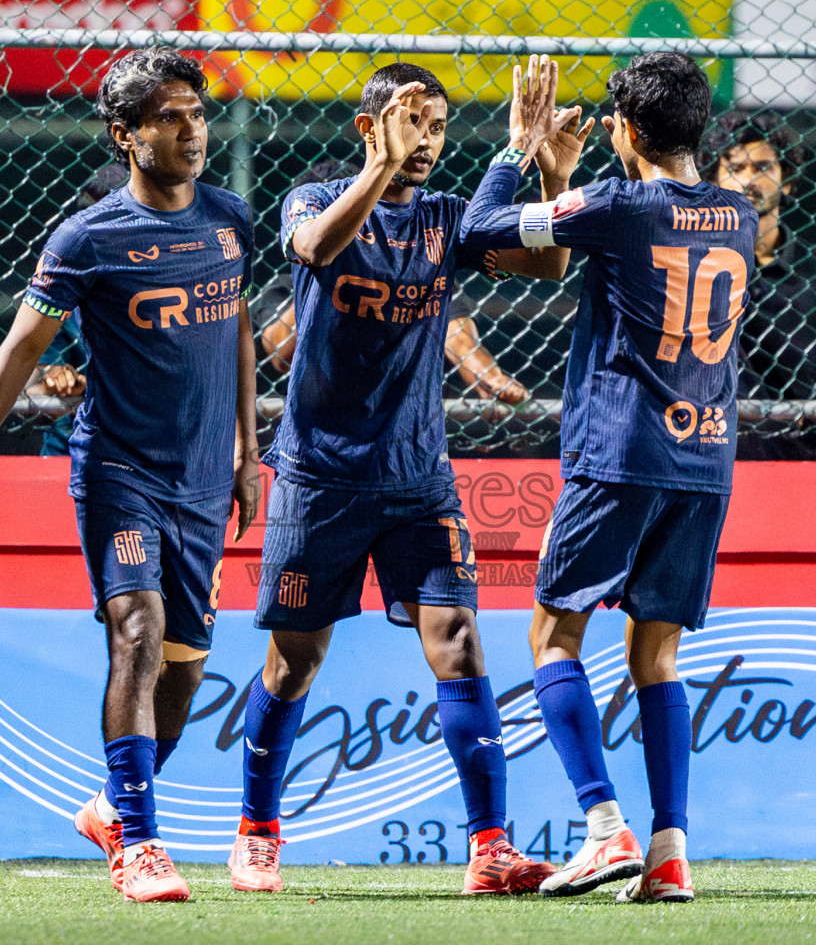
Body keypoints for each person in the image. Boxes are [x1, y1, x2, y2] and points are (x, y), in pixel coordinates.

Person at [230, 59, 583, 896]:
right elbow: (312, 249)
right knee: (294, 662)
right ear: (368, 128)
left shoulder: (448, 220)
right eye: (407, 122)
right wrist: (381, 168)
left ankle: (490, 848)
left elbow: (546, 268)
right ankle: (255, 833)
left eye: (435, 127)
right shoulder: (313, 202)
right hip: (320, 476)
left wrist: (552, 175)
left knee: (458, 642)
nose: (424, 140)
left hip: (419, 478)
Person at [0, 47, 261, 904]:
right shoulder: (88, 239)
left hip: (201, 484)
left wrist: (247, 450)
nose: (193, 131)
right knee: (139, 635)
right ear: (127, 135)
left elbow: (237, 338)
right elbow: (15, 356)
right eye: (171, 117)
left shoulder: (230, 220)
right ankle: (143, 846)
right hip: (119, 471)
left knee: (186, 672)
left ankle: (114, 809)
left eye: (198, 113)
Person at [459, 52, 758, 904]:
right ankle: (670, 850)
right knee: (655, 652)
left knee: (553, 635)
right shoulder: (735, 214)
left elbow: (483, 230)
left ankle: (601, 828)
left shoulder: (618, 204)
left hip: (620, 452)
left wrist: (522, 150)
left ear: (625, 132)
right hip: (705, 459)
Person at [257, 161, 530, 406]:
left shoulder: (419, 266)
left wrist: (490, 376)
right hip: (322, 409)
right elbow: (282, 355)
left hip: (405, 410)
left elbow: (457, 335)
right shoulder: (284, 287)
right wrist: (333, 265)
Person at [702, 109, 816, 461]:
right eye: (735, 167)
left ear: (786, 181)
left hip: (796, 454)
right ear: (714, 182)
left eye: (762, 167)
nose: (748, 180)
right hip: (711, 452)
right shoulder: (694, 259)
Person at [26, 164, 130, 457]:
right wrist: (56, 380)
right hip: (71, 451)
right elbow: (30, 391)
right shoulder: (64, 292)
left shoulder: (165, 287)